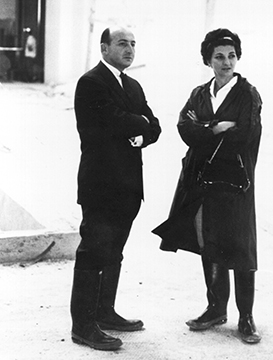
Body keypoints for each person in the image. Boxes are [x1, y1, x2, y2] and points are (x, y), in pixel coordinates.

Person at [152, 28, 262, 344]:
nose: (226, 62)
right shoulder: (201, 94)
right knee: (209, 243)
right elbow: (184, 128)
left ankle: (246, 317)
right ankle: (216, 308)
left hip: (235, 182)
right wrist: (215, 127)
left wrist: (205, 131)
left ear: (237, 58)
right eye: (219, 57)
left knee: (240, 247)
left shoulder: (248, 94)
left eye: (231, 56)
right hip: (201, 180)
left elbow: (245, 134)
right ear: (208, 60)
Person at [70, 26, 161, 351]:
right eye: (123, 43)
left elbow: (155, 126)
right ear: (104, 47)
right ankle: (83, 325)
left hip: (128, 187)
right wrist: (140, 123)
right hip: (100, 186)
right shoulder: (91, 82)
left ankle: (105, 313)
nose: (130, 49)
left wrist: (141, 131)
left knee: (113, 253)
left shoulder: (133, 84)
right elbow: (108, 122)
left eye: (133, 44)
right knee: (93, 252)